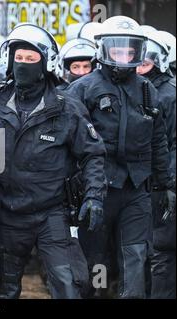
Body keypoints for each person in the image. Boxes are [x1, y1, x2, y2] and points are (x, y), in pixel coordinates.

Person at [0, 23, 107, 299]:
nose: (23, 64)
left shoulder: (67, 107)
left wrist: (94, 197)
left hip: (51, 214)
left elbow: (93, 154)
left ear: (46, 62)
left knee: (68, 285)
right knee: (2, 289)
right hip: (8, 213)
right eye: (19, 58)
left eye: (31, 58)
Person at [67, 16, 175, 299]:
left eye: (130, 49)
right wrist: (78, 190)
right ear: (103, 49)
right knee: (96, 263)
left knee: (136, 257)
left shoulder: (146, 89)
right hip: (96, 190)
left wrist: (165, 184)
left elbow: (158, 138)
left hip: (136, 189)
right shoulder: (82, 89)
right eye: (118, 49)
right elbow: (68, 144)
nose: (124, 55)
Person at [137, 30, 176, 299]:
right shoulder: (135, 91)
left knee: (161, 251)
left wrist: (167, 184)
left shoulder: (167, 96)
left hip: (161, 185)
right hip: (140, 185)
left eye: (145, 64)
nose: (139, 69)